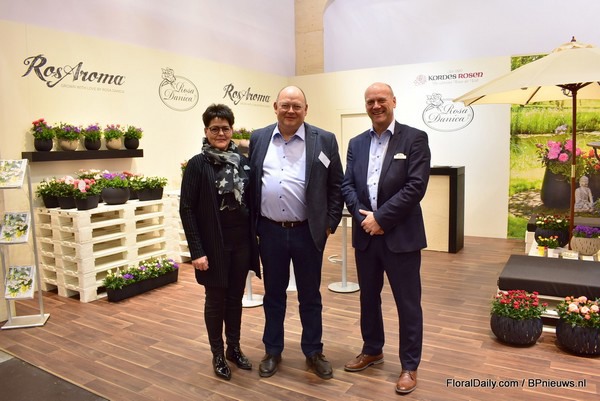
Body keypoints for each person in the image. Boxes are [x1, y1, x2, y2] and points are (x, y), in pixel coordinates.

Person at [248, 86, 344, 379]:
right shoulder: (259, 138)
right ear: (275, 106)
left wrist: (329, 223)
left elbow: (336, 185)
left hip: (307, 232)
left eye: (297, 106)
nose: (291, 111)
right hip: (270, 231)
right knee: (273, 295)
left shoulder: (324, 139)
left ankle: (313, 351)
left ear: (306, 109)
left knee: (310, 296)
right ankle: (272, 350)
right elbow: (251, 181)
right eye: (285, 105)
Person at [341, 82, 431, 394]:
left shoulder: (415, 138)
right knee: (368, 297)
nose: (376, 106)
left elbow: (415, 186)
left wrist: (381, 218)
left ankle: (409, 365)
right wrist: (365, 219)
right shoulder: (356, 143)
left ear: (393, 101)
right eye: (370, 101)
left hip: (401, 236)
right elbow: (347, 185)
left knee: (408, 303)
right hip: (367, 236)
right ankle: (372, 349)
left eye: (381, 100)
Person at [179, 103, 261, 381]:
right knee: (215, 300)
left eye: (225, 128)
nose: (221, 134)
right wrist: (197, 251)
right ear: (206, 131)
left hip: (241, 244)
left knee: (235, 298)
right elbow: (187, 209)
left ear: (232, 130)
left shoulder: (243, 162)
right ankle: (217, 353)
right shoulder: (197, 165)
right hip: (213, 246)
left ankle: (233, 348)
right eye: (215, 129)